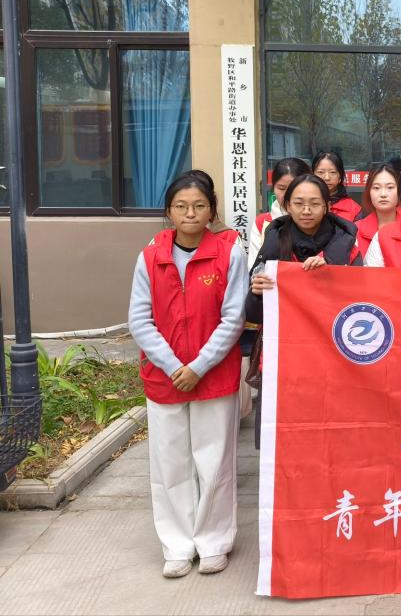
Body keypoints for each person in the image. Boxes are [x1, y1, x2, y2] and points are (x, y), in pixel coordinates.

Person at [127, 173, 247, 579]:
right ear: (169, 211)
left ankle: (214, 542)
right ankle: (177, 545)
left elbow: (233, 318)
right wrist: (172, 365)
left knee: (214, 463)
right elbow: (139, 319)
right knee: (170, 465)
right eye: (181, 206)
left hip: (213, 376)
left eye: (199, 206)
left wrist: (198, 366)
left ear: (212, 210)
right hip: (164, 378)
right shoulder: (150, 256)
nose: (190, 213)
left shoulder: (229, 254)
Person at [246, 174, 362, 323]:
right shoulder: (274, 241)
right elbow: (254, 315)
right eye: (299, 203)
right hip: (287, 332)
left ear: (326, 207)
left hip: (332, 329)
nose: (306, 211)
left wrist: (331, 271)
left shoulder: (346, 245)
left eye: (314, 204)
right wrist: (257, 294)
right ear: (288, 206)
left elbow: (359, 301)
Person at [248, 157, 310, 269]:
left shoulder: (322, 220)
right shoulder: (262, 222)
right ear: (273, 188)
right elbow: (255, 267)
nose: (287, 194)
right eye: (281, 188)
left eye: (294, 188)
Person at [355, 163, 401, 255]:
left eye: (390, 187)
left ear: (400, 190)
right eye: (376, 188)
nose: (383, 194)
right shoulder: (356, 230)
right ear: (369, 191)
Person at [312, 150, 361, 222]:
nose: (327, 178)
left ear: (340, 177)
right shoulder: (304, 205)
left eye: (332, 172)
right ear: (312, 175)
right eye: (320, 172)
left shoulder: (353, 209)